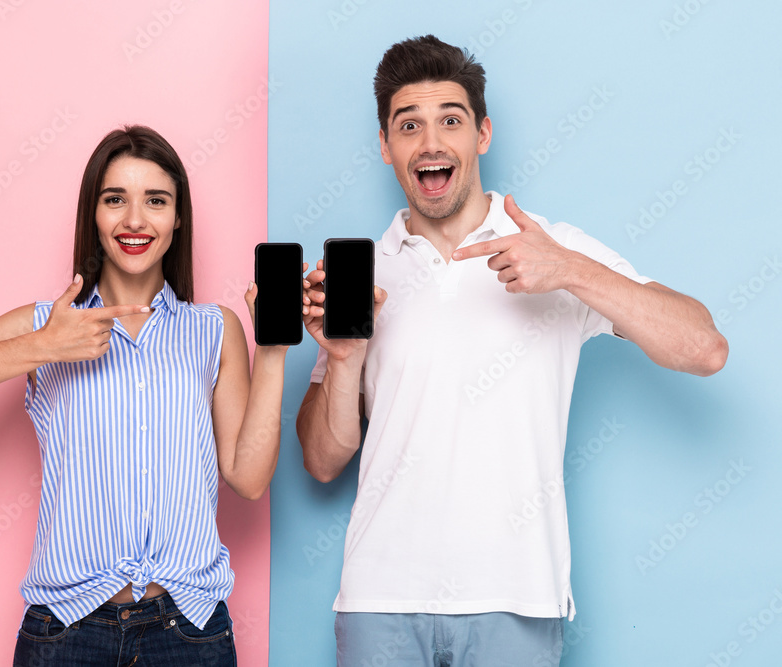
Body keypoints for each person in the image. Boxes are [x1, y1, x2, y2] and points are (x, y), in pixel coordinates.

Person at [296, 35, 728, 667]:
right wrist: (343, 357)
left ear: (483, 134)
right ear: (386, 147)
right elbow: (322, 461)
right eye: (408, 126)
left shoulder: (553, 248)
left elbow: (705, 347)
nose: (432, 142)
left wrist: (573, 271)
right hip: (379, 600)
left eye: (451, 120)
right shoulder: (361, 273)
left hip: (517, 599)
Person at [0, 125, 293, 666]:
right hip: (67, 631)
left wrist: (272, 351)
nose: (134, 220)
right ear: (93, 216)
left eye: (156, 200)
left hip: (188, 630)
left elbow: (249, 476)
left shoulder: (214, 329)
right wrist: (42, 346)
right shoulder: (43, 327)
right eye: (114, 200)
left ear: (177, 218)